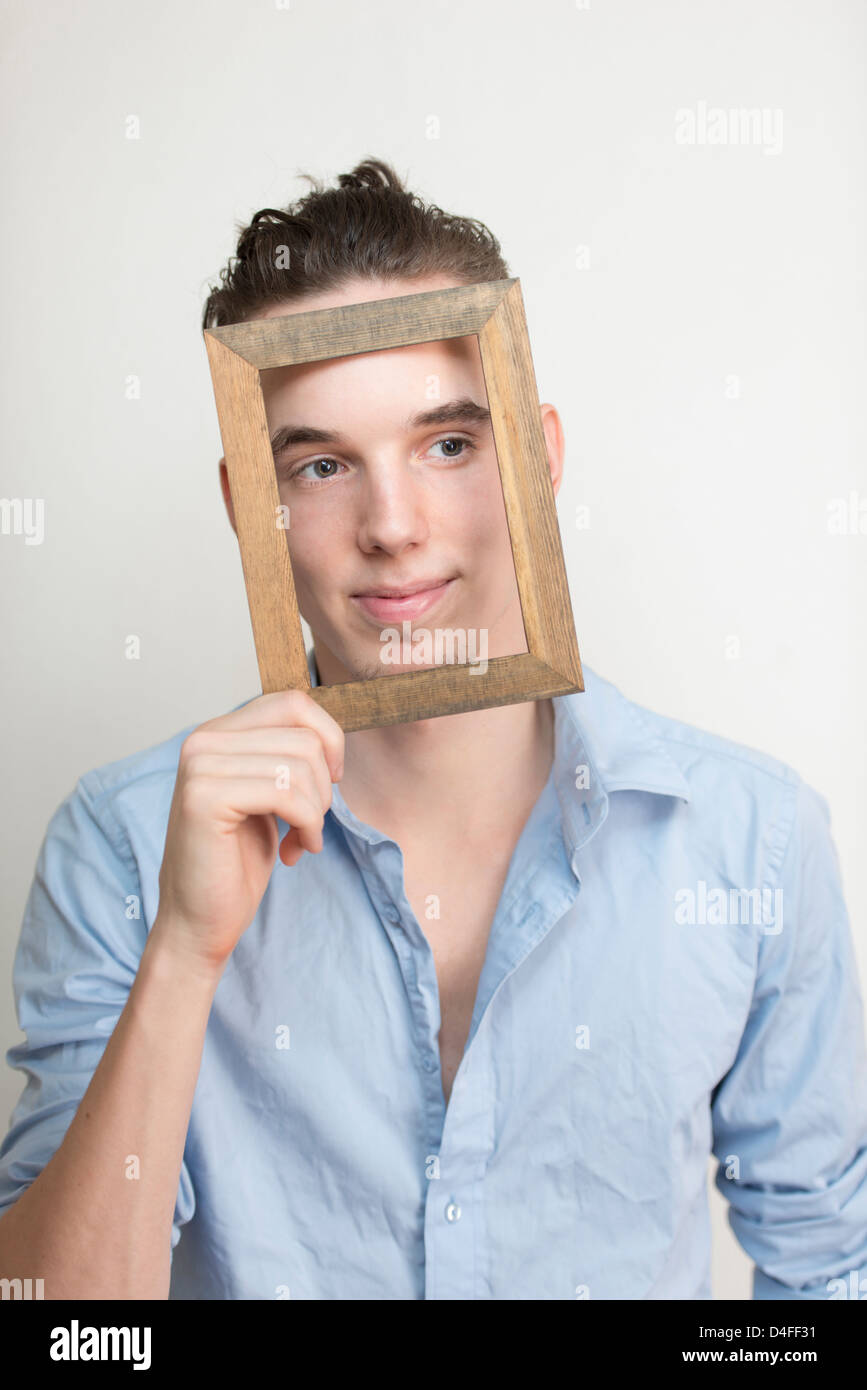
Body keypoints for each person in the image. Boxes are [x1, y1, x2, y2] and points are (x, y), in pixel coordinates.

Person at [0, 157, 865, 1301]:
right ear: (246, 513)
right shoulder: (119, 844)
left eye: (448, 445)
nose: (394, 527)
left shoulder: (756, 842)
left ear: (538, 459)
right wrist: (182, 954)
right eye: (320, 465)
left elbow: (823, 1278)